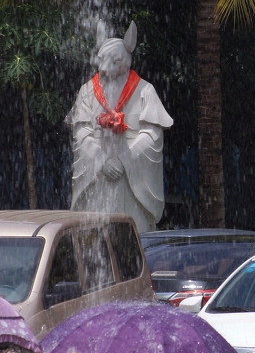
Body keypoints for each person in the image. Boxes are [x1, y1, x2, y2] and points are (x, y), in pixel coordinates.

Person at [67, 22, 174, 234]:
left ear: (126, 59)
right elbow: (81, 133)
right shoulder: (87, 92)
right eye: (102, 61)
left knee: (135, 238)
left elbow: (152, 135)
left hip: (131, 183)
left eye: (115, 61)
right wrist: (100, 159)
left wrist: (124, 160)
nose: (106, 69)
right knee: (94, 239)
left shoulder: (145, 91)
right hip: (97, 179)